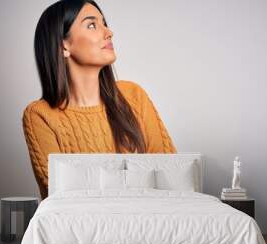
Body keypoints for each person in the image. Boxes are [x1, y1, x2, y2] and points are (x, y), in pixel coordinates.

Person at [22, 0, 177, 200]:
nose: (109, 32)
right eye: (92, 25)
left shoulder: (133, 96)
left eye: (104, 23)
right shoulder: (39, 115)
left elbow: (170, 176)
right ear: (63, 46)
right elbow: (63, 196)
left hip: (148, 224)